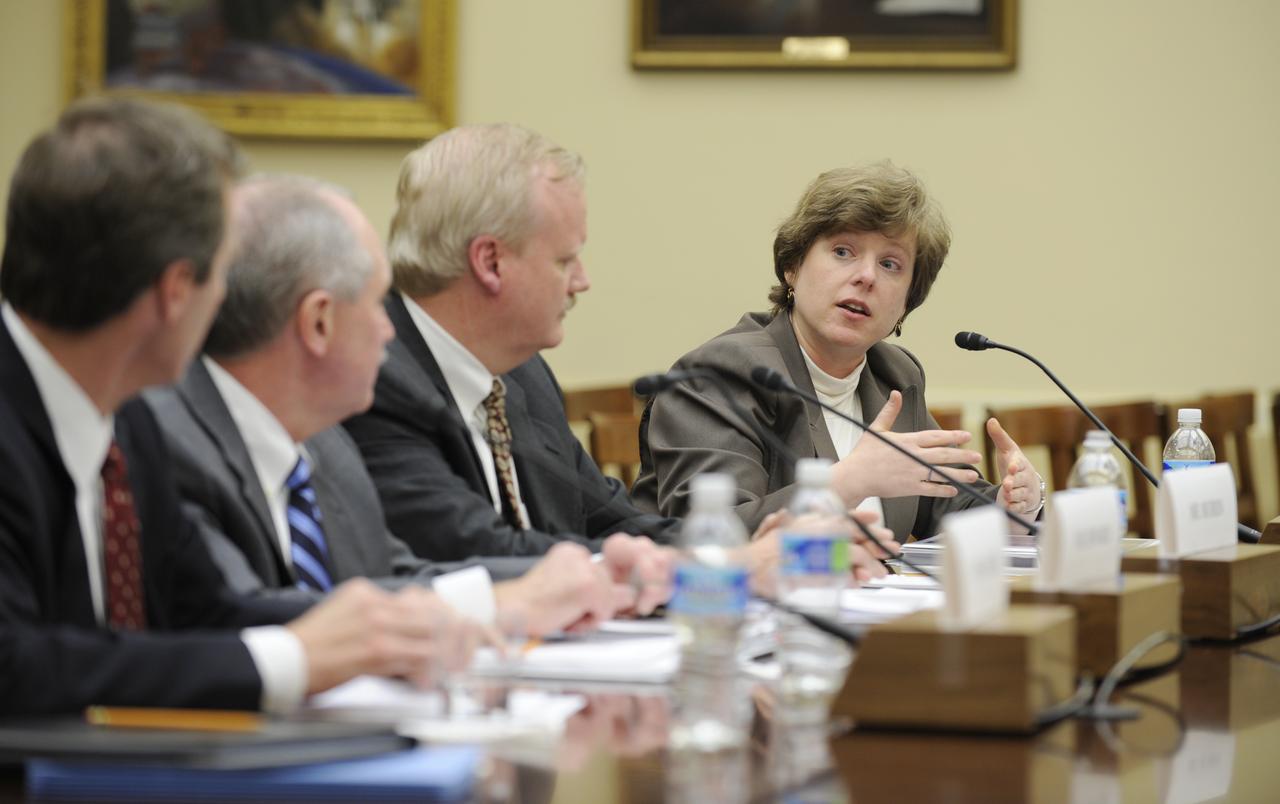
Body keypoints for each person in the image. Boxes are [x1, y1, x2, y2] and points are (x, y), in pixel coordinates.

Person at [0, 97, 479, 715]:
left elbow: (202, 608)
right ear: (176, 292)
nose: (229, 299)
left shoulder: (128, 420)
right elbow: (15, 668)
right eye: (223, 272)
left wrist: (372, 631)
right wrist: (295, 659)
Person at [145, 174, 670, 635]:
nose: (388, 329)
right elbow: (244, 618)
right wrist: (499, 603)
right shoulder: (163, 443)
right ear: (318, 323)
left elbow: (391, 577)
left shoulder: (327, 447)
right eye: (375, 303)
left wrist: (586, 579)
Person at [634, 162, 1043, 543]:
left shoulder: (894, 377)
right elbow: (709, 537)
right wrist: (847, 483)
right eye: (843, 251)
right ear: (793, 267)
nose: (866, 277)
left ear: (906, 304)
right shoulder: (722, 375)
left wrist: (1010, 506)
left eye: (890, 264)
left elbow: (943, 498)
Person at [342, 123, 682, 561]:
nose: (582, 281)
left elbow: (613, 520)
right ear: (490, 261)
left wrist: (728, 556)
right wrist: (638, 569)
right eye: (565, 260)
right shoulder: (377, 380)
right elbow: (477, 550)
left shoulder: (523, 372)